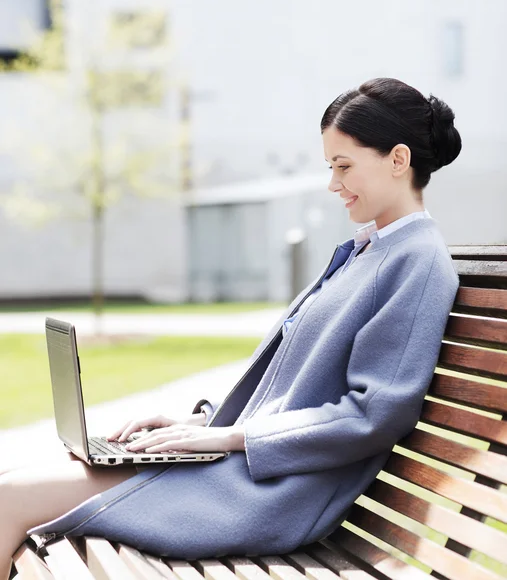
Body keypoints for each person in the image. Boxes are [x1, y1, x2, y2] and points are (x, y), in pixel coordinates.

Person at [0, 77, 462, 579]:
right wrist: (201, 426)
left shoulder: (417, 262)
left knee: (8, 499)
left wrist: (230, 439)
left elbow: (373, 414)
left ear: (398, 160)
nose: (333, 184)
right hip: (241, 469)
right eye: (331, 167)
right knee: (11, 484)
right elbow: (293, 391)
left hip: (265, 491)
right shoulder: (370, 250)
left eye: (343, 166)